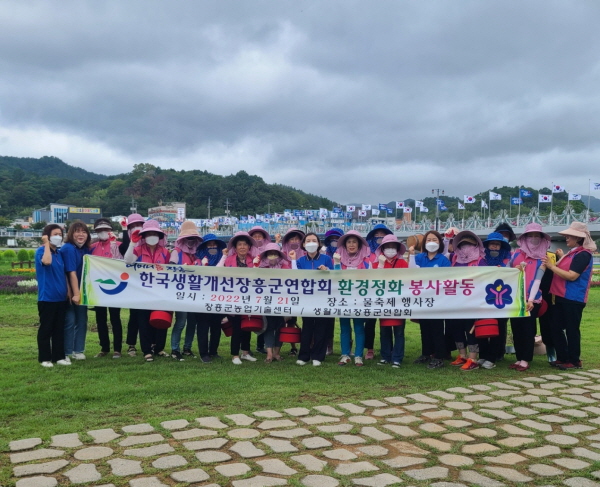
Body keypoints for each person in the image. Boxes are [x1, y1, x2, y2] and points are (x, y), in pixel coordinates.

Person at [544, 222, 596, 370]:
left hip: (573, 298)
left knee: (572, 329)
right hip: (561, 297)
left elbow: (572, 276)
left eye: (569, 236)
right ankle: (563, 357)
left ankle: (574, 360)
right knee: (555, 327)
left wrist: (551, 266)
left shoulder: (583, 254)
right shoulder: (574, 253)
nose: (566, 238)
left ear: (578, 238)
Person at [124, 219, 171, 362]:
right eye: (149, 233)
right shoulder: (138, 249)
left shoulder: (165, 252)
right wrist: (132, 242)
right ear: (144, 236)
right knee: (143, 321)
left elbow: (170, 271)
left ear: (159, 236)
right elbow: (128, 260)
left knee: (160, 319)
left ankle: (158, 348)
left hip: (160, 291)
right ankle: (146, 350)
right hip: (142, 292)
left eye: (154, 233)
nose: (152, 236)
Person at [509, 223, 550, 372]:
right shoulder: (516, 254)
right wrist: (514, 269)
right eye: (530, 235)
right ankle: (519, 358)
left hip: (532, 299)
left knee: (528, 329)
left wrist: (531, 299)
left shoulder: (543, 258)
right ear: (525, 238)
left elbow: (537, 280)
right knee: (516, 328)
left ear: (541, 238)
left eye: (537, 236)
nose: (533, 238)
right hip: (515, 298)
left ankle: (526, 359)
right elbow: (506, 272)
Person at [408, 230, 450, 369]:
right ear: (424, 243)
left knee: (437, 328)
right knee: (424, 327)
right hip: (422, 298)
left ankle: (439, 357)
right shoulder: (420, 257)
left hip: (438, 299)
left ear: (440, 243)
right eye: (428, 240)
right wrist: (412, 256)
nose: (431, 242)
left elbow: (447, 279)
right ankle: (426, 353)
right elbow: (412, 272)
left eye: (435, 240)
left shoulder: (443, 260)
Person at [290, 233, 334, 366]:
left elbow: (335, 275)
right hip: (307, 299)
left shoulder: (326, 259)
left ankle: (318, 356)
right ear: (303, 244)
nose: (311, 243)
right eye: (308, 241)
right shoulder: (301, 261)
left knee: (321, 328)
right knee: (307, 327)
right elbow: (294, 275)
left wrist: (327, 271)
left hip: (322, 299)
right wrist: (293, 260)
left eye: (314, 240)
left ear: (319, 244)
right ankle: (304, 356)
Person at [447, 231, 486, 371]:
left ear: (476, 245)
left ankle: (473, 358)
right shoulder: (455, 259)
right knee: (456, 328)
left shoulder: (480, 260)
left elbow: (485, 279)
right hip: (456, 301)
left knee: (470, 330)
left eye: (469, 244)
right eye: (462, 244)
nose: (465, 247)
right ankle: (462, 355)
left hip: (473, 301)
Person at [217, 232, 258, 365]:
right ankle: (235, 354)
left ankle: (245, 352)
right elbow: (217, 271)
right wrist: (224, 256)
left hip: (249, 298)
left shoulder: (254, 260)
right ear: (235, 247)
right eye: (239, 244)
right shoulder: (228, 259)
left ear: (249, 247)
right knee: (236, 327)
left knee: (247, 325)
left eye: (245, 244)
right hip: (233, 298)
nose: (242, 247)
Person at [334, 230, 371, 366]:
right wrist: (337, 263)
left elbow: (371, 278)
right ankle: (345, 355)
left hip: (359, 300)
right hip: (343, 299)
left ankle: (358, 356)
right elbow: (335, 278)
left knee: (359, 327)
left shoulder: (366, 261)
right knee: (344, 327)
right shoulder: (338, 259)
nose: (351, 244)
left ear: (359, 244)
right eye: (349, 242)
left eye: (354, 242)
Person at [35, 224, 71, 367]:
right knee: (46, 328)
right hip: (47, 298)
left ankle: (59, 356)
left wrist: (68, 290)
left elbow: (64, 274)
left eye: (60, 234)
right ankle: (45, 358)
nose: (58, 237)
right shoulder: (41, 251)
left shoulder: (60, 253)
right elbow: (46, 262)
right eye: (55, 234)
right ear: (47, 236)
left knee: (59, 328)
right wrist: (45, 244)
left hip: (60, 298)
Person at [477, 232, 512, 370]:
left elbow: (512, 275)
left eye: (497, 244)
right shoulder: (481, 259)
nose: (494, 247)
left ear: (501, 246)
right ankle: (483, 355)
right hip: (483, 298)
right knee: (482, 326)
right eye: (492, 244)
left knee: (498, 328)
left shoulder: (507, 260)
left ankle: (493, 357)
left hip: (501, 300)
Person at [169, 221, 203, 361]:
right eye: (188, 238)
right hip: (181, 294)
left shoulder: (198, 254)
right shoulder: (176, 253)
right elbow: (170, 271)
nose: (190, 241)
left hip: (195, 293)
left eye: (193, 238)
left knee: (192, 323)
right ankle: (175, 349)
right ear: (182, 239)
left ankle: (187, 347)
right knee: (181, 322)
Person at [90, 218, 123, 359]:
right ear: (96, 232)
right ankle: (104, 348)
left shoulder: (119, 245)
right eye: (99, 230)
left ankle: (117, 349)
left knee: (115, 318)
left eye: (106, 230)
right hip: (98, 288)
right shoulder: (92, 247)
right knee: (100, 319)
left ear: (110, 230)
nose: (103, 232)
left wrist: (115, 243)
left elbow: (122, 262)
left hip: (115, 288)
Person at [374, 235, 407, 368]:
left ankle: (397, 358)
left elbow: (406, 280)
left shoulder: (402, 263)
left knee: (399, 331)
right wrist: (381, 265)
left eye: (393, 247)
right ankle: (385, 356)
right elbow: (374, 281)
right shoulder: (376, 264)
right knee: (384, 330)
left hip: (398, 302)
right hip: (383, 303)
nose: (390, 250)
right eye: (387, 247)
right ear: (382, 249)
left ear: (397, 249)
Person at [60, 221, 92, 360]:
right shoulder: (68, 248)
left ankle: (78, 350)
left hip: (82, 291)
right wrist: (76, 294)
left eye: (84, 232)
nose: (81, 234)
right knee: (70, 321)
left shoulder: (84, 249)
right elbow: (71, 273)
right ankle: (66, 352)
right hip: (69, 292)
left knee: (82, 320)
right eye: (77, 231)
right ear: (71, 234)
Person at [254, 243, 291, 363]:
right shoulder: (261, 268)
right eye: (270, 254)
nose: (272, 256)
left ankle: (277, 353)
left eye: (275, 254)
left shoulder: (285, 267)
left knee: (280, 326)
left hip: (282, 302)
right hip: (267, 302)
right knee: (268, 327)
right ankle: (269, 354)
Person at [195, 234, 227, 361]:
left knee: (216, 326)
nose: (212, 247)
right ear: (204, 246)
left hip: (218, 298)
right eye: (209, 244)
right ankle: (204, 353)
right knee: (203, 326)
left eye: (214, 244)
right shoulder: (198, 259)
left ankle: (213, 351)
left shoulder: (224, 259)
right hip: (202, 298)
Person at [364, 224, 394, 360]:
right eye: (377, 235)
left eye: (383, 235)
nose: (379, 237)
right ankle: (369, 349)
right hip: (370, 292)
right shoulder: (366, 253)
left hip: (388, 293)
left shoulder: (392, 254)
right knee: (369, 323)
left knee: (387, 323)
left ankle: (388, 350)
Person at [119, 213, 145, 356]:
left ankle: (150, 344)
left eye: (139, 225)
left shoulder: (147, 242)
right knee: (134, 316)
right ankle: (131, 345)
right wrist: (125, 232)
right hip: (134, 285)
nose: (137, 228)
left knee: (148, 316)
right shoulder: (131, 244)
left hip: (149, 285)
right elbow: (123, 250)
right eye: (133, 226)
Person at [280, 227, 306, 355]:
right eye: (292, 239)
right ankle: (292, 347)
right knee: (287, 320)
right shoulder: (282, 255)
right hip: (286, 293)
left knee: (306, 320)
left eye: (297, 239)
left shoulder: (306, 255)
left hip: (304, 292)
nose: (294, 241)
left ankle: (307, 345)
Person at [249, 226, 271, 354]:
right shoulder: (248, 249)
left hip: (266, 286)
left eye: (259, 236)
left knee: (265, 316)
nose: (257, 238)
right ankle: (245, 348)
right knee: (250, 317)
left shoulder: (268, 249)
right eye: (255, 236)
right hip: (252, 286)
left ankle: (260, 345)